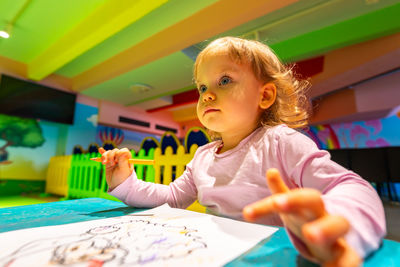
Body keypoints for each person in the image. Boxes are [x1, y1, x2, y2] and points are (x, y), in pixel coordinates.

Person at [99, 37, 385, 266]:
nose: (207, 94)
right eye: (201, 87)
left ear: (265, 96)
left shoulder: (281, 142)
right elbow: (171, 199)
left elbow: (353, 187)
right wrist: (125, 183)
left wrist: (341, 225)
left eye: (224, 80)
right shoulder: (203, 157)